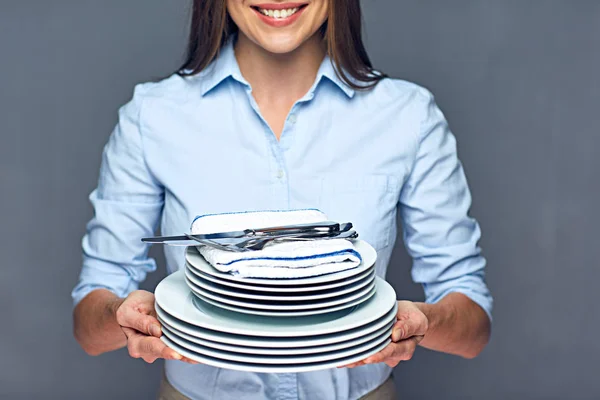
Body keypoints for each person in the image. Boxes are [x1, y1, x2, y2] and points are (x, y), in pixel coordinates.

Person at [72, 1, 492, 399]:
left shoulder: (408, 115)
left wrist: (426, 323)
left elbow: (472, 325)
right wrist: (120, 317)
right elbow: (90, 324)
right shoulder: (152, 115)